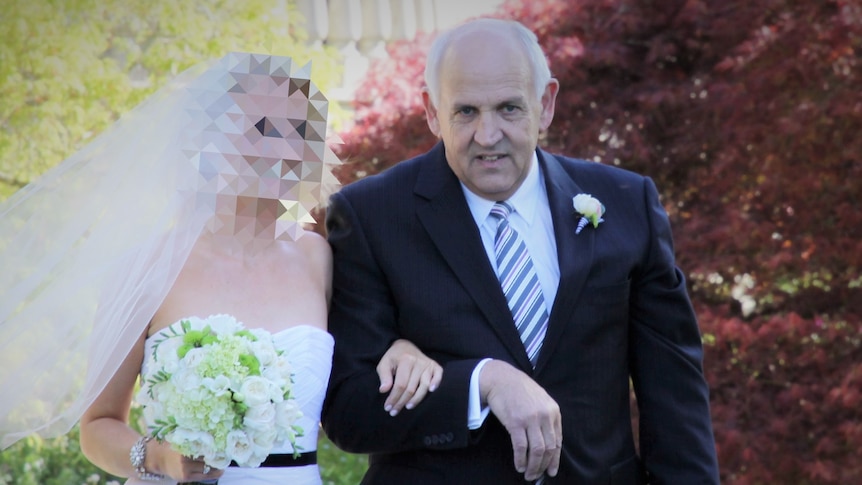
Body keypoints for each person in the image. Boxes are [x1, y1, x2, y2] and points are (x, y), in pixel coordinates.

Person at [0, 52, 440, 485]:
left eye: (297, 130)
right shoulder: (147, 267)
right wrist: (158, 458)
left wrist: (399, 347)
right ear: (210, 139)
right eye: (261, 129)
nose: (283, 148)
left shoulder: (319, 257)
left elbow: (354, 372)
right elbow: (97, 426)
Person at [322, 18, 720, 484]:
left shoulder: (627, 203)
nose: (487, 136)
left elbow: (676, 399)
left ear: (545, 104)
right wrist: (481, 383)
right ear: (432, 112)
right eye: (466, 112)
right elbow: (350, 411)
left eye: (509, 108)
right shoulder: (370, 215)